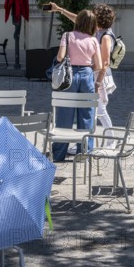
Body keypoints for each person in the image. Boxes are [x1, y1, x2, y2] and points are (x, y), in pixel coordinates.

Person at [50, 2, 117, 149]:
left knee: (97, 110)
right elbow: (78, 19)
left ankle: (111, 140)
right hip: (90, 74)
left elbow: (104, 65)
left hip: (99, 77)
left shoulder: (104, 36)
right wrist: (61, 10)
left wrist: (97, 84)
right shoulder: (94, 34)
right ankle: (84, 147)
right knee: (90, 112)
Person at [51, 9, 102, 162]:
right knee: (87, 115)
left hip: (69, 76)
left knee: (64, 115)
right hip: (87, 75)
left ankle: (59, 154)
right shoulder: (93, 40)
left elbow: (60, 57)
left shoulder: (68, 36)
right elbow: (98, 65)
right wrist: (85, 68)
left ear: (77, 21)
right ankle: (84, 154)